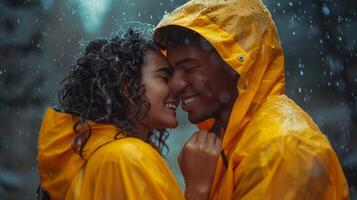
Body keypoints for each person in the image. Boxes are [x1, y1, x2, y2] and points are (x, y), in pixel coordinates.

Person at [154, 0, 350, 199]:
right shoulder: (227, 139)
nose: (174, 85)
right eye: (172, 72)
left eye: (188, 69)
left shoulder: (279, 150)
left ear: (237, 65)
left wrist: (196, 192)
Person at [37, 28, 220, 200]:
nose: (176, 87)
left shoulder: (97, 157)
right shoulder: (127, 158)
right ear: (126, 85)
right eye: (164, 78)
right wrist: (197, 190)